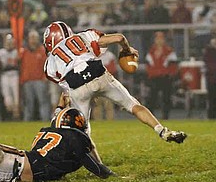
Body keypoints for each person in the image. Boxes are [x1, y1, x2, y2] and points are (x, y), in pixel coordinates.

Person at [43, 21, 187, 161]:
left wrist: (58, 110)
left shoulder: (49, 63)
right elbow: (119, 38)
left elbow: (66, 92)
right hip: (97, 72)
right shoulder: (84, 36)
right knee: (134, 105)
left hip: (77, 85)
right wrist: (127, 49)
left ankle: (100, 167)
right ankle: (162, 131)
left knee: (83, 133)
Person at [145, 32, 178, 120]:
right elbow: (148, 66)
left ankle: (165, 116)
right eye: (157, 38)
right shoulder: (151, 52)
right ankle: (150, 118)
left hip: (165, 78)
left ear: (164, 40)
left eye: (161, 38)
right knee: (152, 98)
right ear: (154, 40)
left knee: (166, 98)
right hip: (154, 78)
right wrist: (151, 75)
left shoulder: (169, 52)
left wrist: (169, 75)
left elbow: (174, 66)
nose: (159, 40)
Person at [20, 30, 50, 121]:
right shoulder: (23, 51)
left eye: (35, 38)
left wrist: (45, 77)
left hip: (40, 80)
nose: (33, 40)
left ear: (38, 39)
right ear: (28, 39)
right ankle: (27, 120)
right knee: (28, 102)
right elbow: (20, 65)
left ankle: (45, 119)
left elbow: (47, 65)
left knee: (43, 101)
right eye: (31, 38)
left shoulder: (42, 50)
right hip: (27, 80)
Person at [0, 34, 20, 120]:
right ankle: (10, 115)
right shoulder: (0, 53)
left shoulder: (17, 52)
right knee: (7, 97)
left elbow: (20, 65)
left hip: (14, 75)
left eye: (11, 42)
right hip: (5, 76)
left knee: (16, 96)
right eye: (8, 42)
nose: (9, 44)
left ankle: (16, 116)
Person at [203, 38, 216, 119]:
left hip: (211, 77)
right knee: (211, 99)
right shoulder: (209, 52)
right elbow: (209, 64)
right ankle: (211, 116)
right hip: (212, 79)